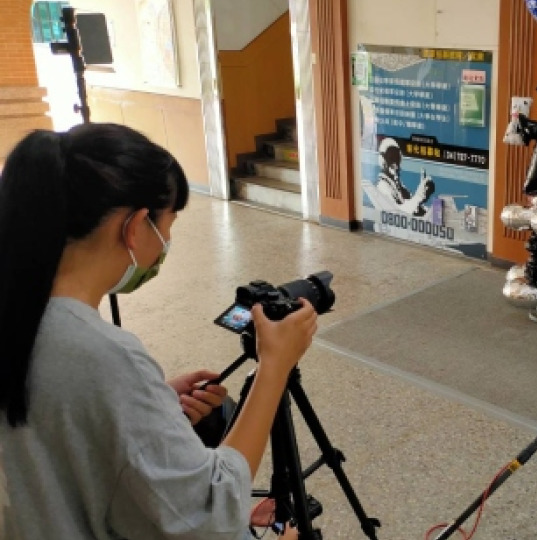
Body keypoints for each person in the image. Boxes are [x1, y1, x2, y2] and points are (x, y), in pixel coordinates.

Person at [0, 123, 315, 539]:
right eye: (168, 224)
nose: (166, 239)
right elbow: (211, 515)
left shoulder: (22, 317)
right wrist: (274, 367)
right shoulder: (106, 357)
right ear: (135, 226)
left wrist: (151, 403)